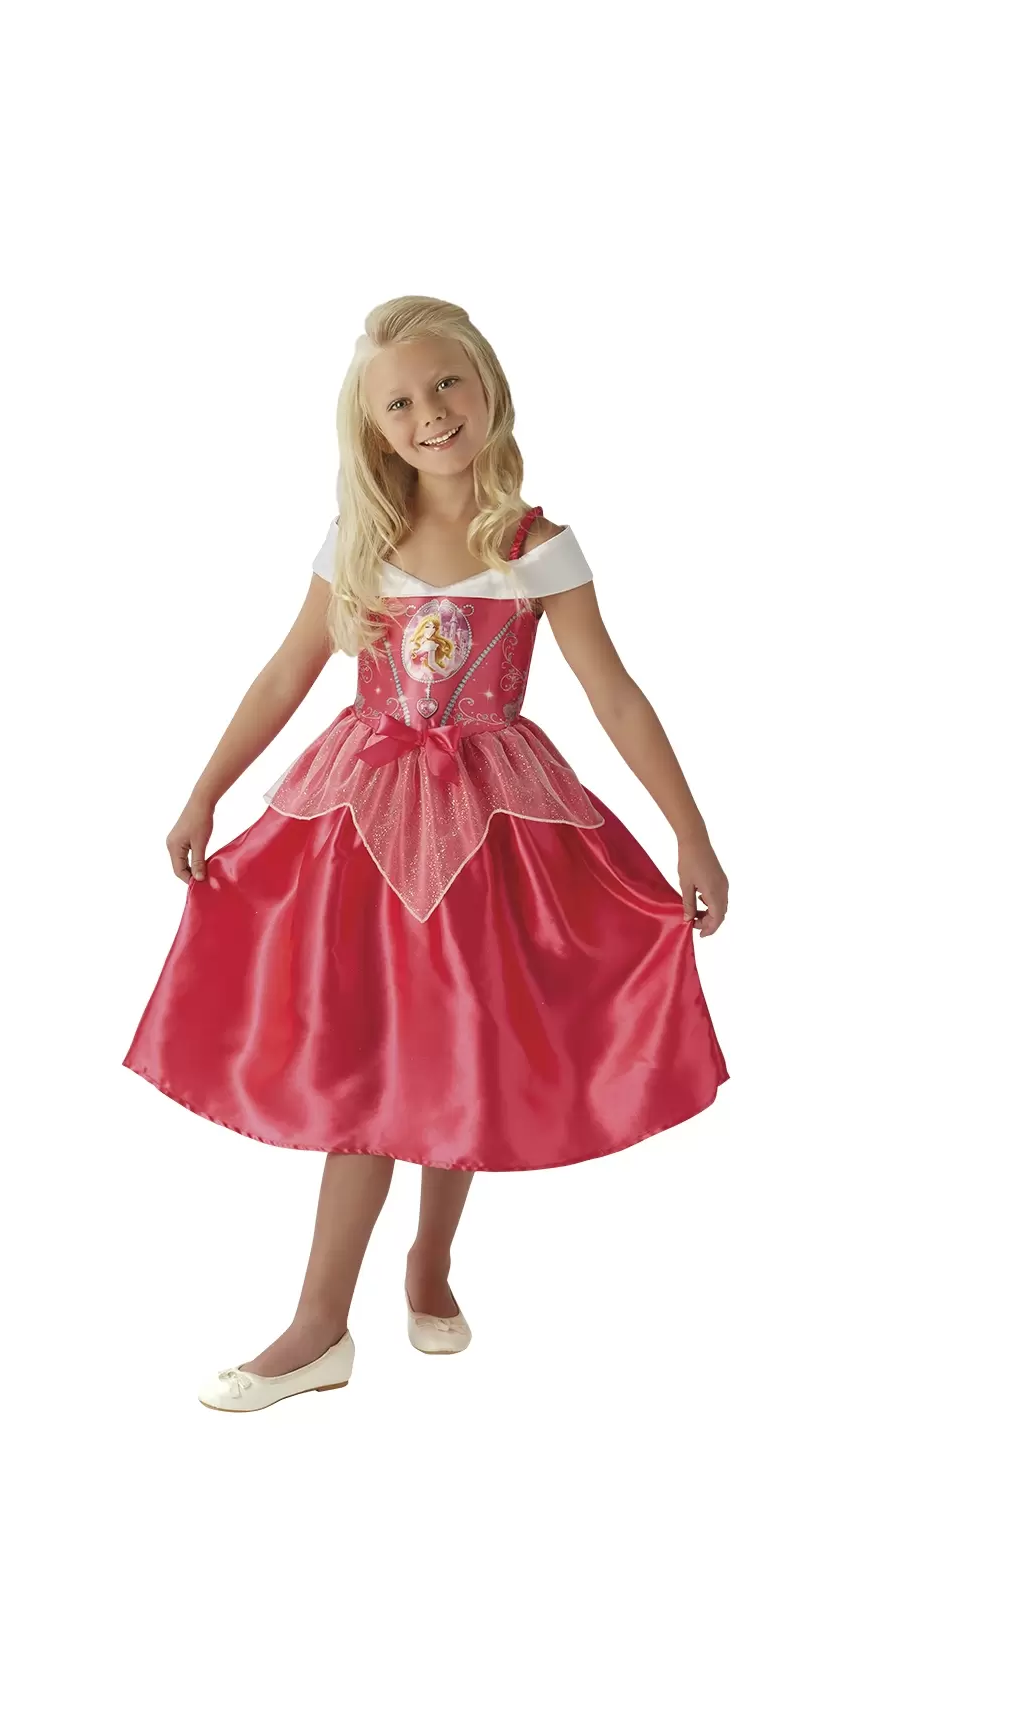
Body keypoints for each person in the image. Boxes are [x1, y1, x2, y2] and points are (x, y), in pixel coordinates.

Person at [123, 295, 731, 1412]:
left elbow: (614, 695)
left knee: (458, 1041)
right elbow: (286, 672)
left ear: (487, 383)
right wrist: (205, 791)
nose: (430, 413)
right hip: (360, 821)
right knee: (367, 1049)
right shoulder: (361, 541)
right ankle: (319, 1325)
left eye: (446, 383)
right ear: (373, 428)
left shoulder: (535, 548)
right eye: (399, 402)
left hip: (490, 825)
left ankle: (429, 1264)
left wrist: (690, 833)